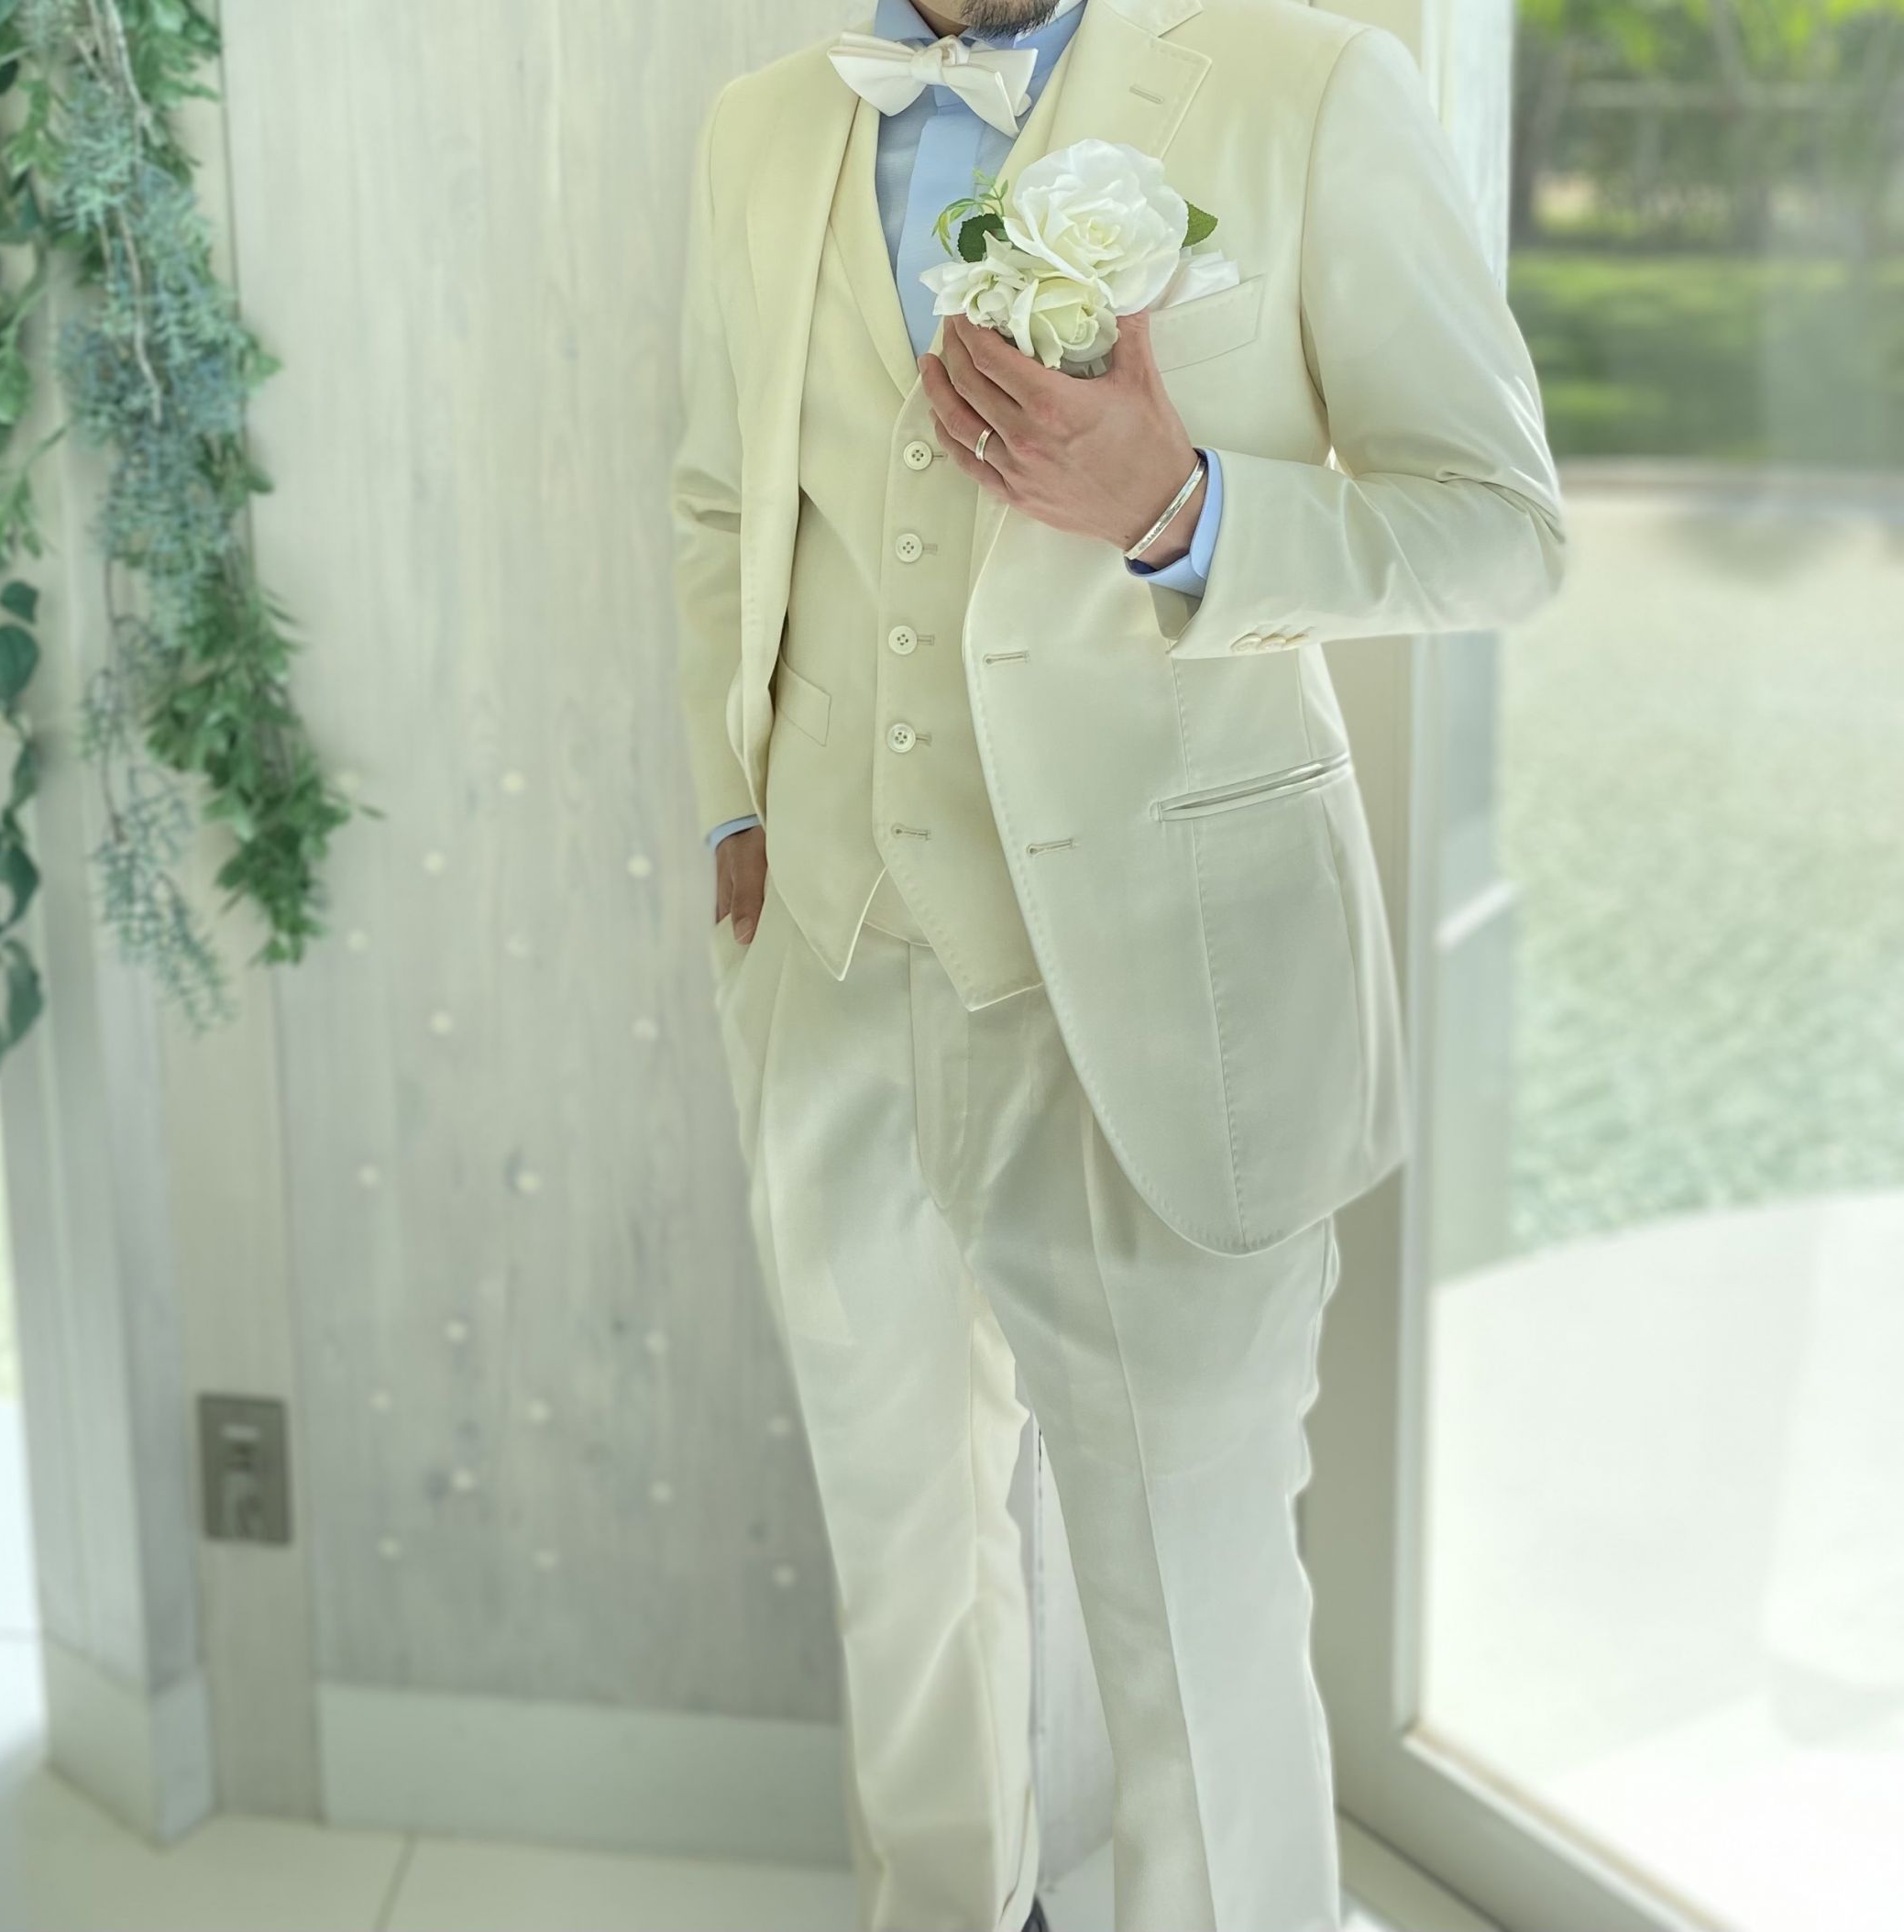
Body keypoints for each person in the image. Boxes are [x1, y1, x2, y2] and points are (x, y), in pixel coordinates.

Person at [667, 0, 1565, 1926]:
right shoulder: (758, 128)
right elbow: (722, 502)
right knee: (901, 1562)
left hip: (1170, 977)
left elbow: (1500, 533)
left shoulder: (1311, 87)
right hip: (833, 956)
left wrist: (1182, 505)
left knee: (1189, 1605)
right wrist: (736, 796)